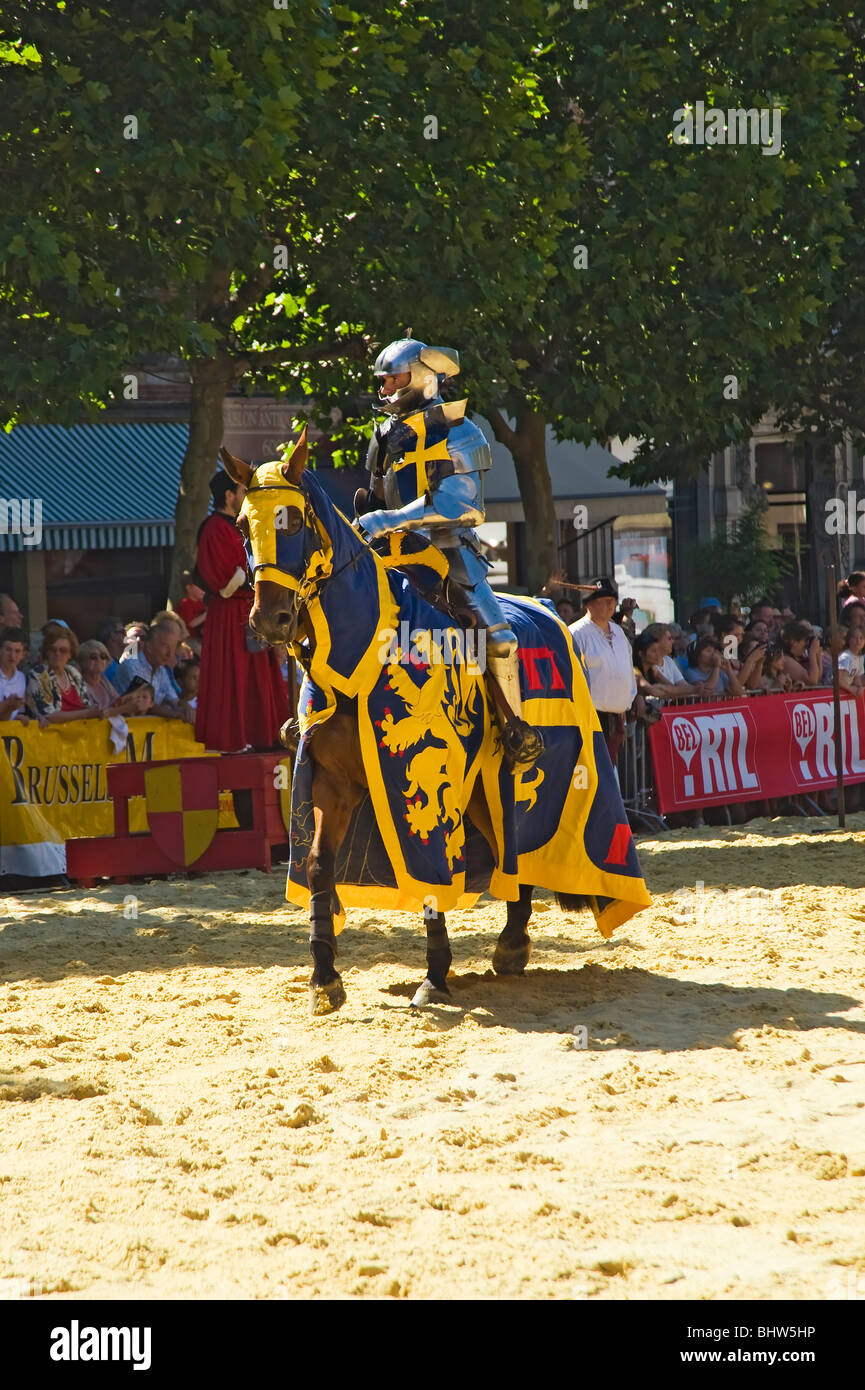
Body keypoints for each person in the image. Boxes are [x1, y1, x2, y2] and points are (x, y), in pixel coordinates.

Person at [353, 337, 543, 767]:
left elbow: (463, 507)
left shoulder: (460, 430)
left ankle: (517, 731)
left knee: (499, 640)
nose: (385, 388)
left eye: (394, 378)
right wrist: (369, 515)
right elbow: (378, 498)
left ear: (422, 376)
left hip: (450, 552)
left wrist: (389, 519)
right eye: (383, 380)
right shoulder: (383, 436)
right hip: (389, 553)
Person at [194, 469, 287, 752]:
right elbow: (225, 581)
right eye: (242, 491)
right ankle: (236, 740)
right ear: (228, 495)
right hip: (231, 615)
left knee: (260, 677)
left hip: (251, 608)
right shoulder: (215, 528)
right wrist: (253, 573)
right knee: (234, 676)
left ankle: (265, 737)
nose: (246, 496)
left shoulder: (244, 525)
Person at [569, 576, 636, 763]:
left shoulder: (619, 632)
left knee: (612, 771)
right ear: (589, 604)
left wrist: (628, 701)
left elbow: (627, 669)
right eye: (605, 601)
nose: (610, 605)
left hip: (617, 717)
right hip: (591, 718)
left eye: (613, 601)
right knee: (596, 772)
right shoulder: (575, 634)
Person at [114, 620, 193, 722]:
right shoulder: (131, 666)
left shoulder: (162, 671)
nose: (169, 654)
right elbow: (145, 705)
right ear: (149, 646)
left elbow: (173, 700)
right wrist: (177, 715)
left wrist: (186, 707)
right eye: (165, 647)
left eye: (172, 648)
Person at [25, 623, 102, 724]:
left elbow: (87, 705)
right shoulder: (38, 675)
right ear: (46, 652)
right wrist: (86, 714)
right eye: (53, 649)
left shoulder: (73, 673)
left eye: (63, 650)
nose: (57, 654)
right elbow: (49, 716)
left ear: (70, 654)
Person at [683, 634, 759, 699]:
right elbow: (707, 689)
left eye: (714, 651)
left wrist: (729, 670)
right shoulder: (690, 672)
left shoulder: (719, 671)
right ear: (697, 656)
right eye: (708, 651)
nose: (714, 654)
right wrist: (716, 667)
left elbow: (738, 692)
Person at [78, 639, 132, 712]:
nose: (99, 660)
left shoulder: (103, 680)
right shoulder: (78, 683)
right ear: (82, 661)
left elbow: (118, 702)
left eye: (103, 656)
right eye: (93, 657)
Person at [779, 620, 822, 687]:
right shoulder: (785, 659)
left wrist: (818, 657)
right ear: (794, 642)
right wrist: (812, 654)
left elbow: (817, 678)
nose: (807, 644)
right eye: (805, 640)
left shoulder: (797, 657)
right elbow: (812, 680)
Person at [0, 626, 28, 720]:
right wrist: (7, 705)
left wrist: (18, 717)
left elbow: (14, 714)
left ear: (23, 654)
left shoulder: (22, 678)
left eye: (17, 651)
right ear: (0, 650)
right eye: (8, 649)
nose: (12, 656)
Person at [175, 571, 207, 639]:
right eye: (199, 586)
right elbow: (191, 623)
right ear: (189, 588)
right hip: (190, 639)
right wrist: (207, 613)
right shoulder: (185, 604)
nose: (203, 589)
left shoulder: (200, 603)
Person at [95, 618, 127, 686]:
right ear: (113, 635)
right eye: (123, 632)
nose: (126, 635)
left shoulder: (114, 664)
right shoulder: (105, 666)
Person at [838, 626, 865, 694]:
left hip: (846, 692)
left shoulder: (860, 658)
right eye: (854, 638)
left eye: (861, 638)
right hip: (835, 692)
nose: (858, 641)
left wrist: (860, 688)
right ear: (849, 639)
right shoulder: (845, 657)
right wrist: (851, 689)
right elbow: (837, 679)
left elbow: (857, 677)